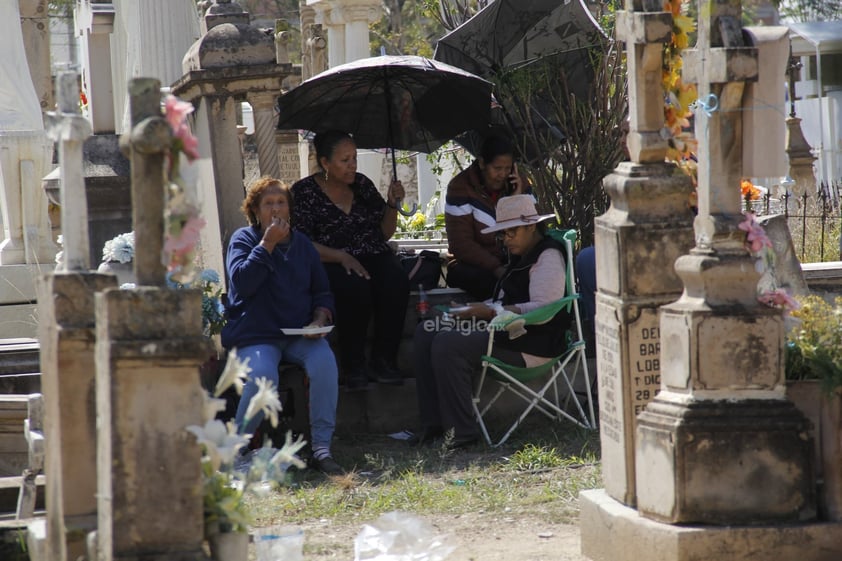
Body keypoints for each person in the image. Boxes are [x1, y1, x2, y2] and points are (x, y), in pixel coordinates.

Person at [412, 195, 572, 449]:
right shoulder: (521, 255)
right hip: (508, 333)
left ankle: (461, 434)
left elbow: (544, 309)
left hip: (532, 345)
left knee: (448, 343)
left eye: (511, 231)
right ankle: (433, 426)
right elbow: (505, 299)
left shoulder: (548, 256)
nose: (506, 239)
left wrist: (488, 312)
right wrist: (470, 309)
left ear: (531, 226)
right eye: (502, 234)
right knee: (426, 332)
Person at [221, 176, 343, 476]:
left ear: (289, 209)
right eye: (268, 204)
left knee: (324, 361)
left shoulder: (302, 244)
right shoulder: (243, 239)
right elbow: (242, 283)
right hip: (257, 334)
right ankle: (235, 450)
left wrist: (321, 317)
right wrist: (267, 245)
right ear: (255, 211)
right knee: (263, 376)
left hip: (298, 332)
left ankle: (322, 449)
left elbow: (322, 291)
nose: (275, 209)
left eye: (281, 203)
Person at [291, 130, 410, 391]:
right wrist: (340, 255)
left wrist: (392, 204)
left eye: (354, 158)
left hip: (372, 253)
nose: (353, 165)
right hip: (330, 259)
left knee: (396, 281)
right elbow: (301, 243)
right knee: (353, 287)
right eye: (345, 160)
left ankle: (384, 360)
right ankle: (353, 365)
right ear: (325, 163)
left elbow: (384, 232)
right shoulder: (304, 193)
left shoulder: (363, 186)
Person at [444, 134, 528, 301]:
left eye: (507, 168)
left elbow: (533, 231)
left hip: (512, 261)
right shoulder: (460, 187)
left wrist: (517, 198)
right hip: (473, 265)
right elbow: (461, 244)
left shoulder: (520, 184)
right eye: (497, 168)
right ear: (482, 163)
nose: (502, 175)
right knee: (486, 282)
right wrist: (496, 267)